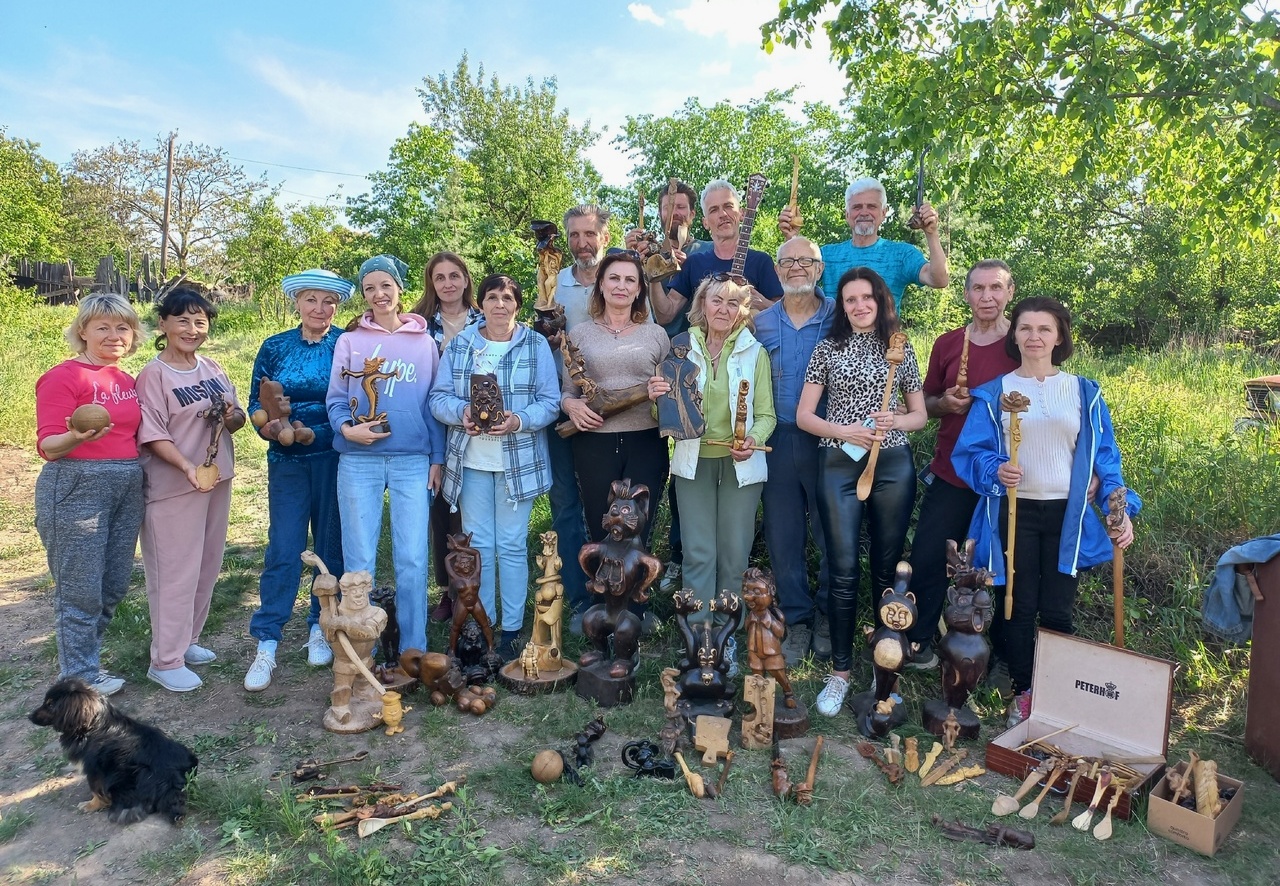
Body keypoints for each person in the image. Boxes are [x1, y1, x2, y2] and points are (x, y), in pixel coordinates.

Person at [952, 296, 1139, 726]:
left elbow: (1105, 459)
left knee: (1057, 609)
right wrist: (995, 469)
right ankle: (1023, 693)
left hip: (1065, 517)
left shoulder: (1084, 392)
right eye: (1025, 328)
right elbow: (972, 454)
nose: (1034, 337)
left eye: (1044, 329)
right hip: (1014, 513)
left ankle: (1058, 694)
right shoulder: (994, 394)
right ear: (1013, 335)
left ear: (1059, 337)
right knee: (1017, 605)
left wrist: (1117, 506)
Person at [796, 268, 926, 717]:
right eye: (850, 299)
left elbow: (920, 415)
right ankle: (841, 672)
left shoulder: (900, 349)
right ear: (842, 305)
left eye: (866, 298)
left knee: (887, 569)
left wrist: (896, 422)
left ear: (880, 299)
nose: (859, 306)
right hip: (838, 461)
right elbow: (805, 416)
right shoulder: (827, 348)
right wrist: (845, 430)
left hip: (891, 464)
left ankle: (883, 668)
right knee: (844, 566)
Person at [647, 276, 776, 675]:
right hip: (693, 459)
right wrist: (656, 398)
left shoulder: (756, 353)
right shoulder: (680, 346)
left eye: (733, 303)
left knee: (734, 553)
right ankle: (697, 636)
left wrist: (752, 439)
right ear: (702, 304)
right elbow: (663, 415)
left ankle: (725, 637)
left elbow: (767, 415)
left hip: (740, 462)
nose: (723, 309)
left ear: (744, 310)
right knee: (699, 551)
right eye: (716, 300)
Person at [429, 274, 561, 661]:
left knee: (512, 544)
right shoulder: (462, 344)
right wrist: (462, 411)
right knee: (479, 547)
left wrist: (518, 420)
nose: (499, 304)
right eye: (492, 297)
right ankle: (479, 622)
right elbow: (438, 398)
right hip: (470, 461)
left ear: (517, 304)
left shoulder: (534, 345)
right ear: (481, 303)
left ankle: (512, 630)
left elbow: (550, 402)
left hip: (517, 462)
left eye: (507, 297)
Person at [904, 260, 1020, 674]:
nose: (986, 297)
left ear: (1009, 292)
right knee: (930, 553)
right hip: (953, 468)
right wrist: (946, 404)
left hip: (1008, 476)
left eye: (995, 288)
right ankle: (918, 641)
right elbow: (926, 404)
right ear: (967, 293)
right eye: (978, 289)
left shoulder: (1023, 343)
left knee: (1005, 561)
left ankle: (1003, 655)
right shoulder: (949, 343)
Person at [327, 255, 445, 657]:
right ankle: (363, 649)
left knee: (412, 556)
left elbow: (433, 402)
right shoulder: (349, 341)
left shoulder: (424, 342)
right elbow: (336, 399)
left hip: (413, 459)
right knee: (359, 559)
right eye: (369, 289)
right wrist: (346, 429)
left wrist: (437, 457)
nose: (379, 295)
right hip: (359, 460)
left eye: (385, 286)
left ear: (399, 289)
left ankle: (413, 648)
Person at [242, 270, 354, 692]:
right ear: (297, 303)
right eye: (311, 300)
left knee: (329, 546)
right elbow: (257, 400)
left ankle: (318, 626)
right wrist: (268, 428)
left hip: (333, 454)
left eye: (328, 302)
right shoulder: (274, 346)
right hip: (287, 460)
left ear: (337, 307)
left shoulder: (345, 343)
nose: (320, 309)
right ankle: (267, 641)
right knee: (285, 548)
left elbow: (354, 399)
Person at [34, 293, 146, 696]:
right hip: (77, 485)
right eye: (103, 326)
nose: (114, 335)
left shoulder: (126, 380)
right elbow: (48, 445)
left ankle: (84, 660)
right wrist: (75, 437)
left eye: (123, 328)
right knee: (79, 587)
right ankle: (78, 676)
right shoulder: (63, 377)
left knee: (113, 584)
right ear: (83, 331)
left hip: (128, 484)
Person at [136, 288, 247, 692]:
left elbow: (233, 418)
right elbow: (152, 432)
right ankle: (165, 660)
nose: (192, 328)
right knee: (174, 571)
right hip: (175, 484)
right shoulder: (154, 374)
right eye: (182, 320)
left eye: (200, 321)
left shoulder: (212, 366)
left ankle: (188, 641)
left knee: (206, 564)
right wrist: (186, 467)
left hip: (217, 478)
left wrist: (236, 416)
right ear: (162, 324)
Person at [561, 252, 671, 632]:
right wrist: (572, 405)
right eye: (614, 279)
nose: (621, 286)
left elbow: (672, 394)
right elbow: (567, 393)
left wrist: (662, 391)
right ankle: (600, 608)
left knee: (639, 525)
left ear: (640, 289)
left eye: (630, 280)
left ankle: (634, 611)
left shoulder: (656, 335)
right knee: (599, 522)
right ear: (601, 285)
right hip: (594, 441)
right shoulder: (580, 334)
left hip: (645, 440)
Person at [625, 178, 712, 596]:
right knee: (664, 467)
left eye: (682, 208)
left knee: (691, 460)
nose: (675, 214)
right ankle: (637, 555)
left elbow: (676, 312)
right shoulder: (642, 251)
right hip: (650, 366)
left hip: (693, 368)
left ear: (692, 215)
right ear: (658, 213)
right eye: (668, 208)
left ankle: (681, 556)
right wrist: (640, 259)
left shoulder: (700, 254)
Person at [753, 237, 836, 664]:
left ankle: (827, 614)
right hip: (778, 437)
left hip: (832, 440)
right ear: (779, 270)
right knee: (783, 534)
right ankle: (798, 618)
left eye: (806, 260)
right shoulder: (761, 322)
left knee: (830, 530)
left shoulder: (840, 315)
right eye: (788, 262)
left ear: (819, 269)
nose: (796, 267)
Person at [546, 204, 612, 627]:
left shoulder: (619, 278)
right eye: (574, 235)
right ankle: (576, 594)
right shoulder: (553, 284)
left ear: (604, 237)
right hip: (560, 405)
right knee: (564, 502)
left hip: (611, 413)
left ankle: (614, 592)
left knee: (607, 506)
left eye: (590, 234)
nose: (582, 243)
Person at [409, 252, 483, 623]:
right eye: (440, 278)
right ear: (432, 284)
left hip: (478, 425)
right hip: (434, 421)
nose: (449, 283)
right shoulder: (418, 325)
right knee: (441, 509)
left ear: (467, 280)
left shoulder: (484, 320)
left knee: (469, 510)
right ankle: (446, 589)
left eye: (455, 276)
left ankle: (469, 584)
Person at [779, 177, 948, 310]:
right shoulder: (827, 255)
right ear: (847, 214)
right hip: (836, 349)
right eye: (857, 207)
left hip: (884, 350)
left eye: (872, 206)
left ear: (883, 213)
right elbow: (797, 281)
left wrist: (931, 233)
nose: (864, 212)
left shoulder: (902, 254)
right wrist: (792, 239)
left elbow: (939, 279)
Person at [650, 178, 783, 329]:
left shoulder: (761, 261)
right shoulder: (694, 263)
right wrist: (653, 277)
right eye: (713, 210)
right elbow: (665, 316)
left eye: (728, 206)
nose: (723, 214)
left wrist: (755, 298)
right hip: (706, 350)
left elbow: (784, 315)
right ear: (705, 222)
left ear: (741, 214)